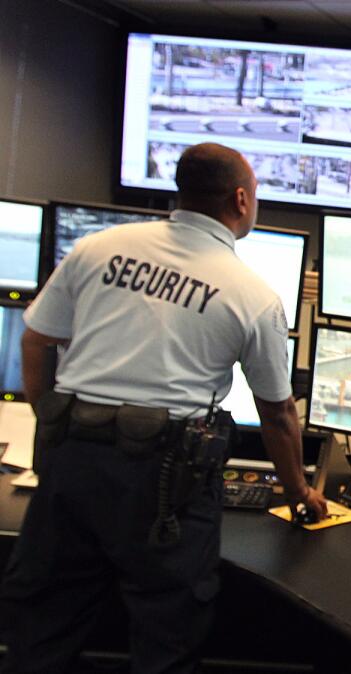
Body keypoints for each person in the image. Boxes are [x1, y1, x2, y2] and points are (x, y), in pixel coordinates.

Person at [0, 142, 327, 673]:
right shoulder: (252, 294)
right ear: (241, 200)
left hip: (73, 461)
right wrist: (298, 493)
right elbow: (278, 414)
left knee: (41, 632)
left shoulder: (98, 248)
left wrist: (52, 427)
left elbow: (36, 341)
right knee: (166, 640)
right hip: (166, 480)